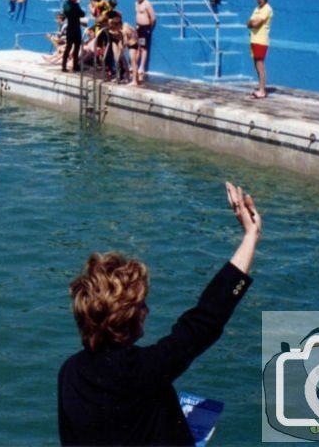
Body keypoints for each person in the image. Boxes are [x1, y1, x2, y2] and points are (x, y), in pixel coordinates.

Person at [58, 182, 260, 446]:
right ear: (127, 317)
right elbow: (206, 318)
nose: (147, 310)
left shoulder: (70, 373)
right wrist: (250, 236)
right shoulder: (145, 372)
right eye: (141, 304)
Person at [247, 0, 273, 99]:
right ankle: (260, 88)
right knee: (256, 64)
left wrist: (252, 23)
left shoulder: (267, 9)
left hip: (261, 41)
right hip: (253, 39)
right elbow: (248, 22)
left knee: (260, 65)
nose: (259, 0)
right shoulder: (257, 8)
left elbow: (256, 23)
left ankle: (262, 90)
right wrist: (251, 23)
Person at [133, 0, 155, 85]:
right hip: (138, 27)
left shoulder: (147, 4)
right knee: (138, 47)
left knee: (143, 48)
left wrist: (149, 28)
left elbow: (153, 17)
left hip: (145, 28)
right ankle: (135, 65)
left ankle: (142, 66)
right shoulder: (136, 3)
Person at [61, 0, 86, 73]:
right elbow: (70, 12)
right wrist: (76, 5)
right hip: (71, 28)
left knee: (77, 47)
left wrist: (76, 6)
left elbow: (82, 14)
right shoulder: (67, 4)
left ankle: (75, 65)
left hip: (76, 28)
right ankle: (63, 65)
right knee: (68, 47)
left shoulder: (75, 5)